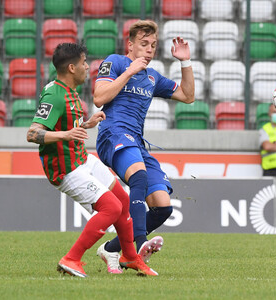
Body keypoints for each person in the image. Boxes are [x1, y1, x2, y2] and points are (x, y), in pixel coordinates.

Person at [26, 43, 157, 277]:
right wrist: (66, 134)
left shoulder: (71, 92)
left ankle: (130, 257)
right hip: (66, 169)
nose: (88, 67)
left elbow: (66, 126)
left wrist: (87, 123)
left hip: (82, 159)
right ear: (71, 67)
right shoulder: (55, 94)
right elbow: (33, 133)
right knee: (112, 208)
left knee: (123, 201)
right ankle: (71, 259)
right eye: (84, 63)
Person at [93, 20, 195, 272]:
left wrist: (185, 62)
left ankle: (110, 249)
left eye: (153, 45)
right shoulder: (115, 62)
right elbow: (99, 98)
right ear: (130, 45)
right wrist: (128, 71)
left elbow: (187, 96)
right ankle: (137, 247)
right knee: (138, 177)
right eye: (143, 44)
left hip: (137, 142)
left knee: (162, 207)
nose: (149, 49)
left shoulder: (152, 76)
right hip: (113, 133)